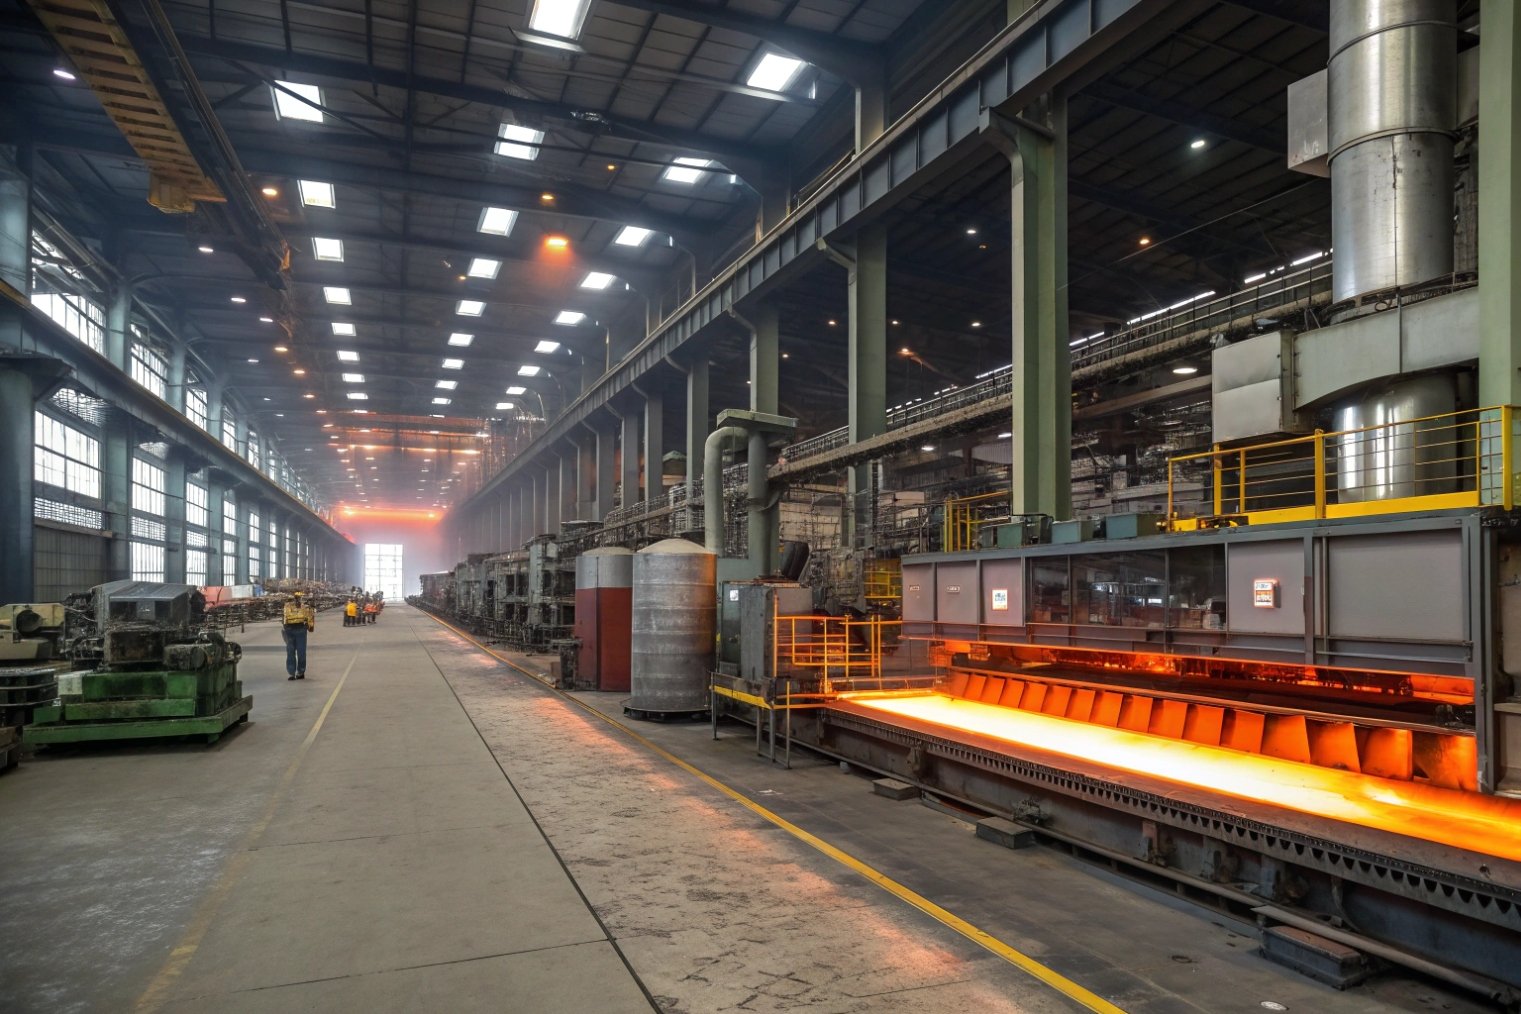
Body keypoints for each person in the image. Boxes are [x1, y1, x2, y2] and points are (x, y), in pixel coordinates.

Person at [282, 591, 315, 680]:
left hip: (301, 630)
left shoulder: (306, 607)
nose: (297, 600)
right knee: (290, 652)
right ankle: (291, 673)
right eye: (296, 598)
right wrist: (285, 627)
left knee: (301, 652)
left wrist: (310, 626)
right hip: (289, 631)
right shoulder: (287, 606)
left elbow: (310, 616)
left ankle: (300, 672)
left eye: (299, 598)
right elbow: (284, 617)